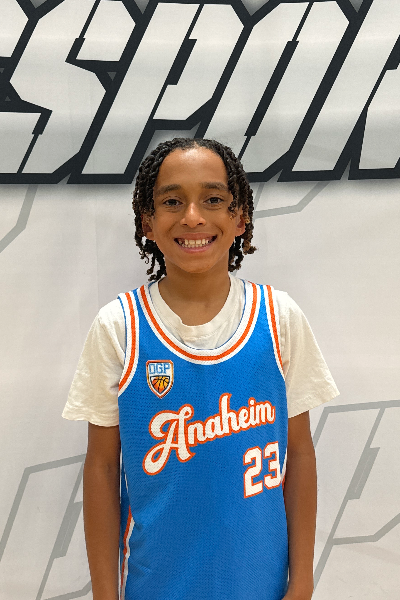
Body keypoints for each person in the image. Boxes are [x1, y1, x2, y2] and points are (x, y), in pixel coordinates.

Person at [62, 138, 339, 600]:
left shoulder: (279, 318)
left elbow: (300, 455)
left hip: (262, 586)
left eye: (213, 199)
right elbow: (103, 467)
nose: (192, 217)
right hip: (155, 586)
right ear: (147, 222)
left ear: (240, 217)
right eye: (173, 201)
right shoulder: (120, 326)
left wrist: (303, 581)